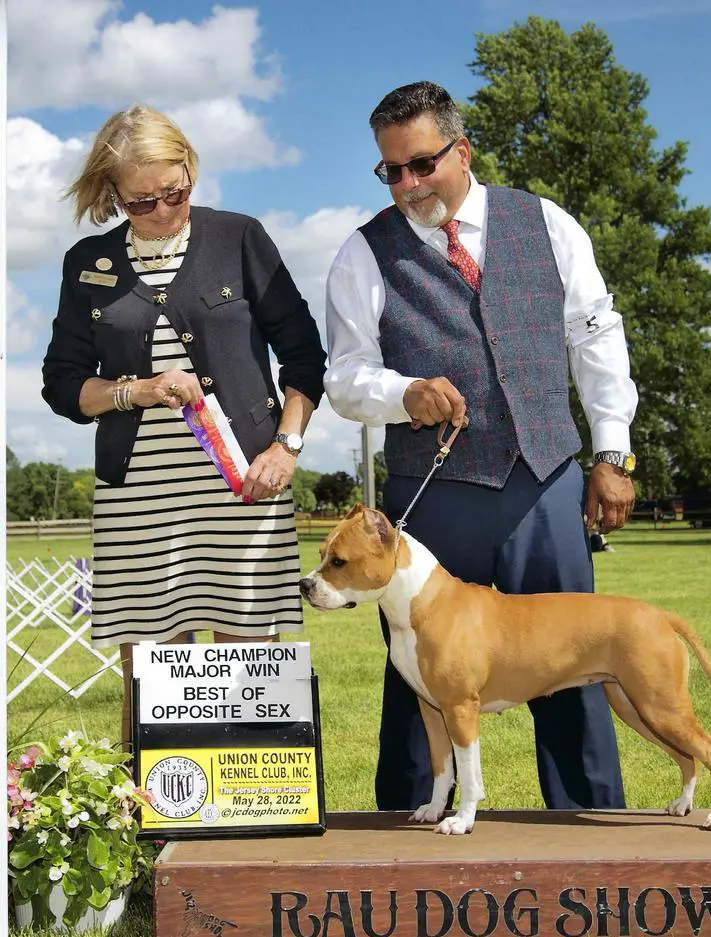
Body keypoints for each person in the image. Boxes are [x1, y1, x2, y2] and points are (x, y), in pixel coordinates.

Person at [325, 81, 638, 813]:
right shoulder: (362, 253)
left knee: (572, 662)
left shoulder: (548, 223)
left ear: (462, 152)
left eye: (420, 165)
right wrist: (401, 394)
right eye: (389, 171)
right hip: (430, 499)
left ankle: (593, 826)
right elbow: (342, 375)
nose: (405, 184)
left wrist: (611, 452)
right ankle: (407, 835)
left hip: (545, 481)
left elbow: (596, 340)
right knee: (419, 677)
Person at [42, 106, 326, 746]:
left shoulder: (241, 237)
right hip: (137, 503)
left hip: (245, 490)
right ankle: (149, 830)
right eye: (143, 202)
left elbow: (305, 355)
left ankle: (256, 835)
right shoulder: (86, 263)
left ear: (191, 170)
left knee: (251, 689)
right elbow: (62, 384)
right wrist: (138, 390)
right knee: (150, 690)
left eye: (177, 191)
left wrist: (287, 443)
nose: (166, 210)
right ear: (112, 194)